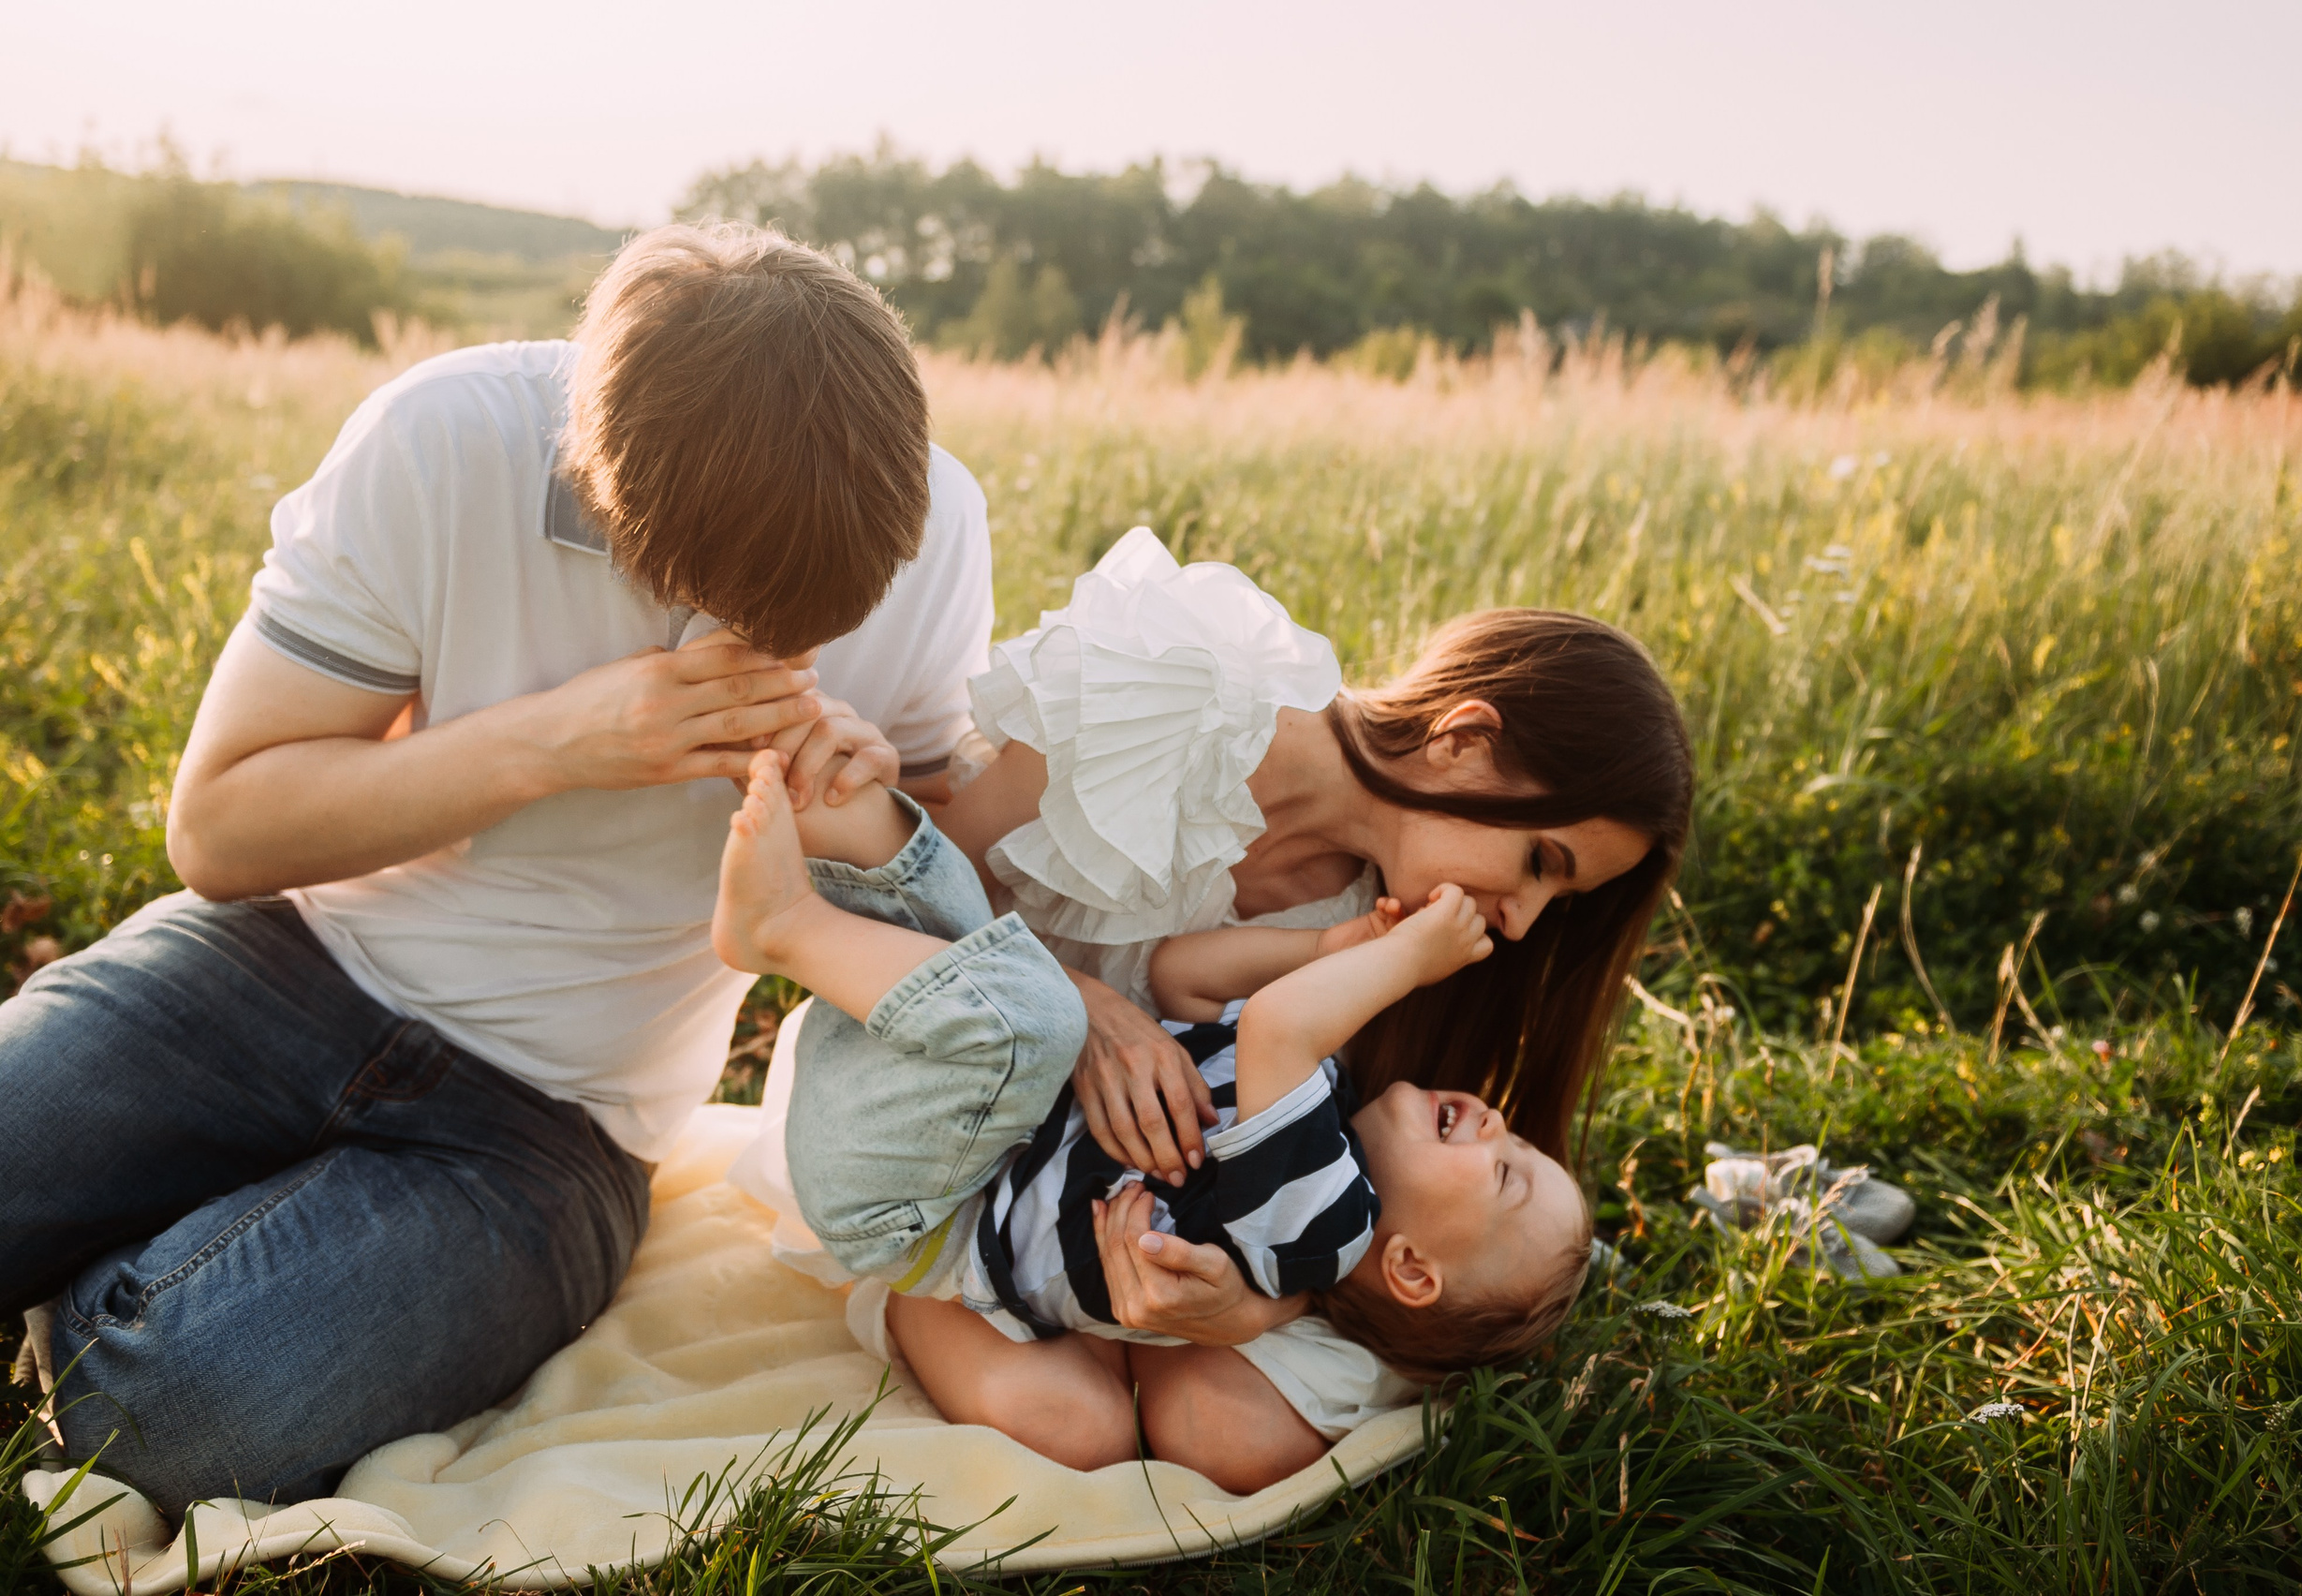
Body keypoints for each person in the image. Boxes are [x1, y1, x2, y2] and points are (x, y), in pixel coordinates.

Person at [0, 221, 996, 1515]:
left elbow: (943, 860)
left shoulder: (930, 519)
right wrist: (557, 741)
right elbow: (222, 830)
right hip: (274, 966)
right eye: (708, 597)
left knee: (160, 1412)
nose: (738, 644)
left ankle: (124, 1282)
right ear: (601, 496)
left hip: (554, 1126)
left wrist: (863, 820)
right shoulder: (446, 439)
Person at [741, 526, 1693, 1489]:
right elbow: (914, 882)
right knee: (1084, 1389)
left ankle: (1082, 1307)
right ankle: (925, 1290)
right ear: (1466, 741)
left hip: (1094, 1213)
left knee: (1086, 1430)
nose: (1522, 925)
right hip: (924, 1123)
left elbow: (1331, 1182)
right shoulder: (1177, 683)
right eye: (1540, 863)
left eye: (1556, 901)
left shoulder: (1382, 934)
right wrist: (1092, 1013)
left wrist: (1251, 1308)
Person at [710, 749, 1592, 1489]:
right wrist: (1322, 950)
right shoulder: (1324, 1104)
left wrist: (1404, 958)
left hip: (911, 1201)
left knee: (1035, 1019)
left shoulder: (1321, 1229)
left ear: (1407, 1267)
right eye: (1520, 1136)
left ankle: (780, 927)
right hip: (928, 1123)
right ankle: (830, 798)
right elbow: (1181, 979)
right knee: (979, 938)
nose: (1493, 1122)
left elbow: (1281, 1027)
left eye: (1506, 1170)